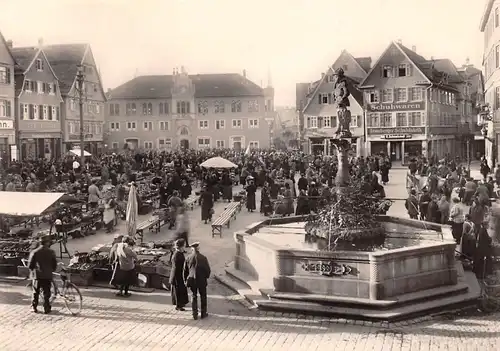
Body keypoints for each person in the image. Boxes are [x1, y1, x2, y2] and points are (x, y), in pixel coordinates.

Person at [27, 234, 57, 314]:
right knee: (46, 292)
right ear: (47, 243)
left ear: (40, 243)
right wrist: (50, 270)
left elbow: (30, 265)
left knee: (35, 292)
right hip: (47, 275)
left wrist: (33, 271)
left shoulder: (35, 252)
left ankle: (34, 307)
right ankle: (46, 308)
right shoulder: (51, 252)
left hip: (37, 275)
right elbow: (54, 264)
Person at [183, 242, 211, 320]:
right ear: (198, 248)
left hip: (192, 280)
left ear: (192, 249)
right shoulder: (203, 258)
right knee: (203, 296)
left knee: (193, 296)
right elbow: (207, 270)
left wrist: (185, 280)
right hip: (201, 280)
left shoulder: (188, 258)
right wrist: (206, 277)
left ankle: (194, 314)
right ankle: (203, 313)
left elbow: (185, 271)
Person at [169, 239, 189, 311]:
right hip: (177, 276)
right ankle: (178, 305)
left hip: (177, 275)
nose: (185, 246)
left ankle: (181, 303)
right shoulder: (177, 255)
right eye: (184, 245)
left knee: (179, 290)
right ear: (181, 247)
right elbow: (179, 267)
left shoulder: (178, 253)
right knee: (178, 291)